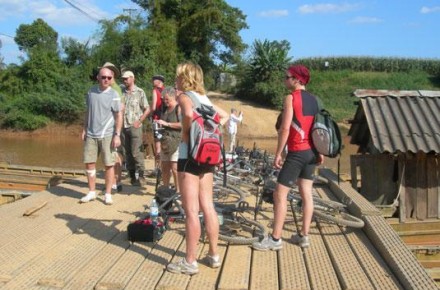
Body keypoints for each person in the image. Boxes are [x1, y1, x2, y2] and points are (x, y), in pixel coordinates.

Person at [252, 64, 324, 250]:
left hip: (297, 152)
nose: (285, 80)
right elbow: (318, 129)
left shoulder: (291, 98)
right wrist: (320, 152)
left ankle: (275, 239)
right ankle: (303, 235)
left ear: (297, 79)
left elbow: (285, 128)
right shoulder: (315, 100)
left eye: (287, 77)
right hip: (312, 153)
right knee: (306, 193)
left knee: (279, 194)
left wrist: (278, 153)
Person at [166, 62, 229, 275]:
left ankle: (190, 262)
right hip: (208, 156)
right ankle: (213, 255)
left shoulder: (185, 96)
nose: (175, 80)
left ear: (185, 78)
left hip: (190, 156)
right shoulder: (205, 99)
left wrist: (186, 135)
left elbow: (189, 116)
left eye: (178, 76)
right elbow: (225, 117)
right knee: (208, 206)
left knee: (192, 211)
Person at [80, 67, 122, 205]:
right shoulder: (91, 91)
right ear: (98, 77)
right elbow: (88, 111)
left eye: (109, 78)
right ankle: (91, 192)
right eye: (103, 77)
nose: (106, 80)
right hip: (91, 134)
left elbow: (118, 116)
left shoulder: (114, 94)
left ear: (112, 79)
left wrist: (117, 135)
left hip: (107, 134)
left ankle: (108, 193)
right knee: (89, 162)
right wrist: (84, 129)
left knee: (109, 164)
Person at [121, 70, 150, 186]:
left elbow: (147, 109)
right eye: (123, 79)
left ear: (132, 78)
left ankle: (142, 176)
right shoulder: (121, 92)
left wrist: (139, 121)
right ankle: (131, 176)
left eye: (126, 78)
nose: (124, 80)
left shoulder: (140, 92)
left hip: (135, 126)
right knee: (127, 152)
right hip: (124, 126)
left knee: (136, 152)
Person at [102, 62, 124, 192]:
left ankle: (117, 181)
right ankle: (116, 181)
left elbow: (119, 110)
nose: (105, 78)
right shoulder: (107, 89)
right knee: (113, 155)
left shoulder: (115, 89)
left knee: (115, 155)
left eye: (108, 75)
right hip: (109, 128)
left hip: (114, 128)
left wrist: (117, 131)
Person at [155, 86, 182, 192]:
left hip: (176, 143)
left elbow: (182, 125)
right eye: (164, 99)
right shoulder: (163, 109)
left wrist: (167, 124)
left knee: (175, 169)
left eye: (167, 99)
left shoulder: (178, 108)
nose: (165, 101)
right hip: (165, 143)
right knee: (165, 168)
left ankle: (178, 191)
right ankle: (166, 191)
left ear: (173, 97)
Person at [151, 75, 165, 172]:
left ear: (159, 81)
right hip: (166, 120)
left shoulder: (155, 91)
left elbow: (153, 107)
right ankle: (165, 167)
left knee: (158, 145)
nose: (152, 81)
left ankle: (157, 168)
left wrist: (150, 115)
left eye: (154, 80)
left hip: (157, 119)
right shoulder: (167, 91)